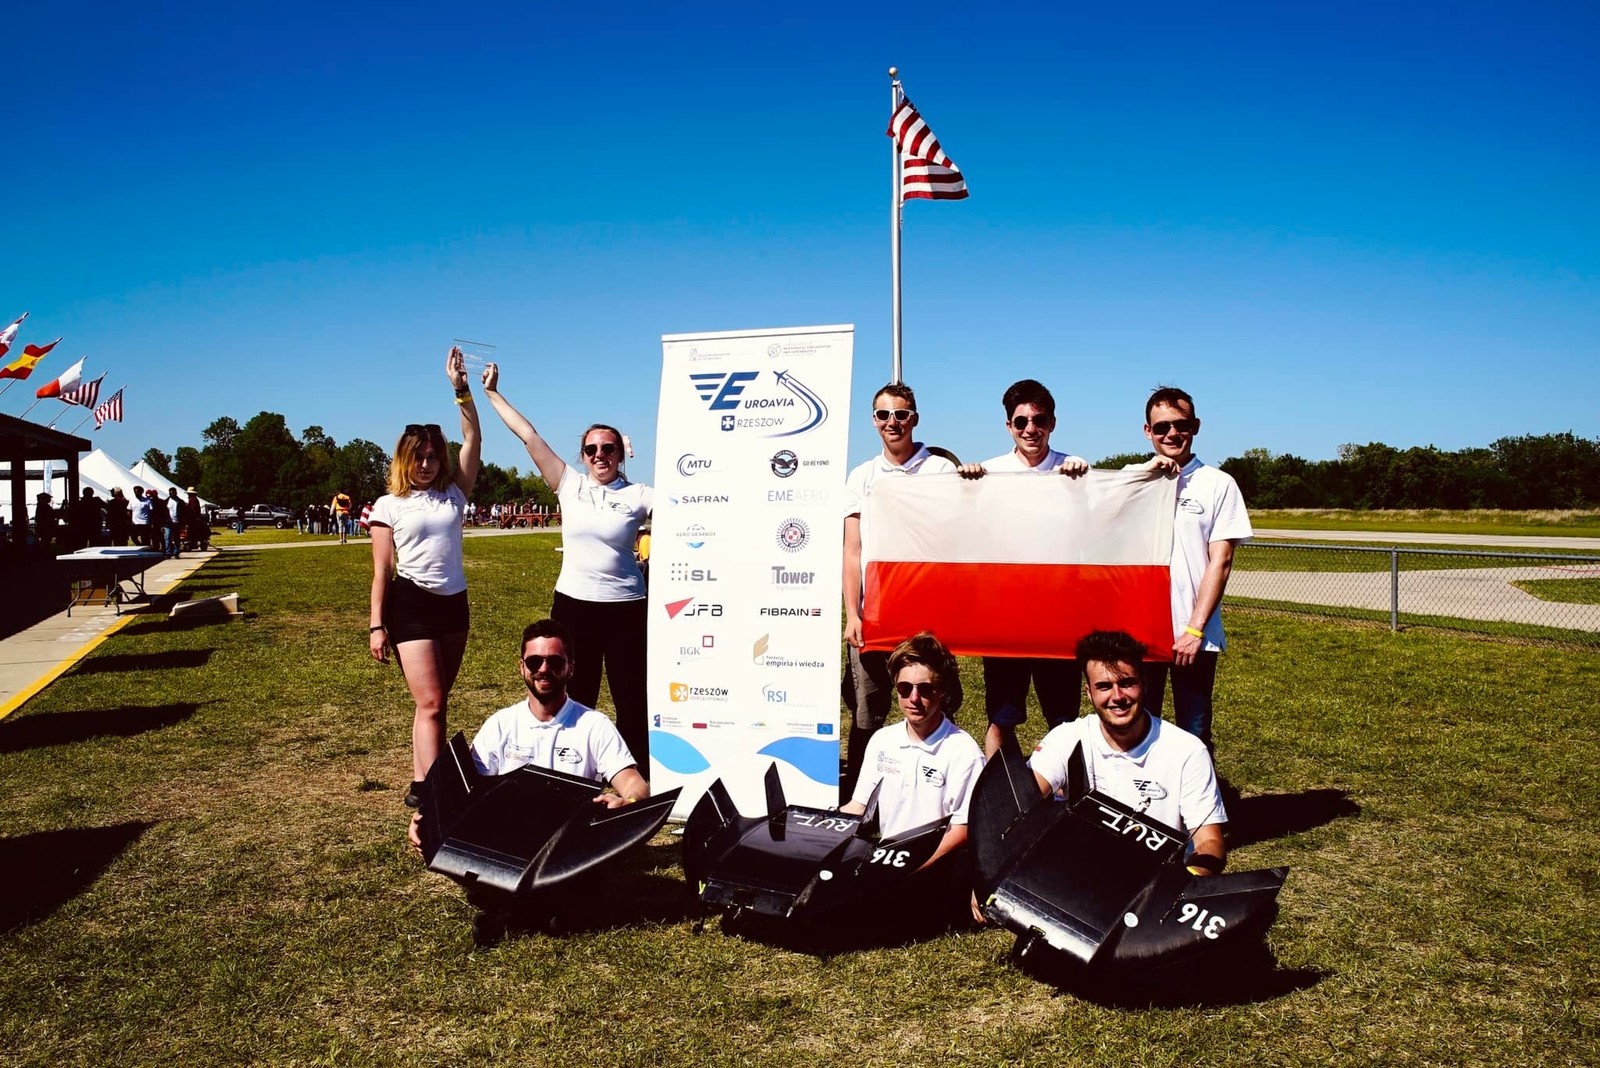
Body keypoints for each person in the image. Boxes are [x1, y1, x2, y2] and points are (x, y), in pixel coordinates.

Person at [481, 363, 653, 768]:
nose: (600, 455)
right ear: (583, 455)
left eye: (608, 448)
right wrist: (492, 394)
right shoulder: (568, 484)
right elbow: (528, 435)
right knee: (576, 696)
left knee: (632, 699)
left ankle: (637, 782)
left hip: (627, 607)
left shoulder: (641, 495)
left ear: (620, 453)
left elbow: (696, 513)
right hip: (575, 607)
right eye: (592, 449)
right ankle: (574, 776)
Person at [407, 618, 649, 850]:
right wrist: (428, 820)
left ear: (571, 668)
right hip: (508, 840)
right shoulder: (501, 724)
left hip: (569, 844)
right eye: (534, 662)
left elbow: (634, 784)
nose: (544, 669)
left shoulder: (594, 725)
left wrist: (627, 803)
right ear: (521, 667)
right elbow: (466, 794)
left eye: (555, 662)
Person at [369, 347, 483, 809]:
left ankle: (422, 783)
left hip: (454, 604)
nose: (426, 464)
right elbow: (382, 570)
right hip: (411, 605)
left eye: (433, 456)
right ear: (405, 459)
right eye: (418, 457)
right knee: (432, 701)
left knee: (436, 703)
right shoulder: (388, 505)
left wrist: (461, 390)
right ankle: (436, 793)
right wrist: (377, 625)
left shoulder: (455, 493)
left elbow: (473, 439)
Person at [955, 379, 1092, 758]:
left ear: (1052, 422)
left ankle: (1062, 787)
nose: (1031, 429)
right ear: (1008, 426)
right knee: (1002, 717)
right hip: (1006, 616)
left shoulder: (1075, 471)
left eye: (1039, 420)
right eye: (1021, 421)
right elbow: (961, 528)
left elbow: (1109, 515)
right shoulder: (989, 472)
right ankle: (999, 788)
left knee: (1063, 719)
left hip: (1058, 615)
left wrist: (1087, 481)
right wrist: (965, 487)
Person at [841, 381, 957, 802]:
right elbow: (852, 551)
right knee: (868, 714)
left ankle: (939, 794)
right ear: (874, 421)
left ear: (914, 419)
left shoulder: (940, 470)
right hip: (876, 616)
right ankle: (860, 802)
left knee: (934, 703)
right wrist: (853, 615)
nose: (893, 422)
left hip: (927, 619)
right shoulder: (862, 476)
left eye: (901, 414)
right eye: (883, 414)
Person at [1029, 629, 1227, 874]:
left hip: (1153, 881)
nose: (1117, 697)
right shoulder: (1066, 738)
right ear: (1089, 692)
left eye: (1126, 683)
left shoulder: (1188, 751)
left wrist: (1187, 881)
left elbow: (1210, 841)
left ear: (1144, 683)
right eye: (1104, 686)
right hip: (1076, 875)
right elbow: (1020, 807)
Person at [1130, 386, 1253, 756]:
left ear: (1195, 426)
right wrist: (1146, 474)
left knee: (1194, 732)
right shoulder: (1132, 479)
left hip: (1193, 635)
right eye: (1161, 427)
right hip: (1141, 632)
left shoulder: (1218, 484)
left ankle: (1196, 794)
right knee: (1136, 728)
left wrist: (1194, 629)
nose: (1172, 433)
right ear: (1147, 431)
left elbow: (1221, 561)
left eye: (1180, 425)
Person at [840, 631, 982, 881]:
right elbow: (858, 807)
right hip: (886, 866)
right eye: (904, 689)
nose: (914, 698)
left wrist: (914, 868)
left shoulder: (965, 753)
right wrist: (815, 823)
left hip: (937, 874)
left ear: (942, 691)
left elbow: (963, 830)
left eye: (925, 689)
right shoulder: (882, 740)